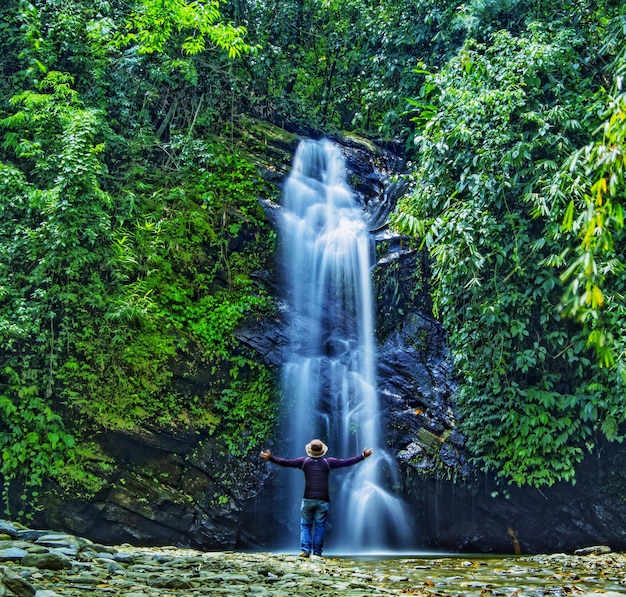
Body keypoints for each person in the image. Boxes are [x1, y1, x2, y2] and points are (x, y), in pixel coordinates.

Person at [260, 439, 373, 559]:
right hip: (323, 499)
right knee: (320, 526)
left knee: (305, 525)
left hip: (308, 498)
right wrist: (362, 456)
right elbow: (346, 462)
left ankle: (305, 550)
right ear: (322, 451)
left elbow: (286, 462)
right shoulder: (328, 462)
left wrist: (270, 458)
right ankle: (317, 552)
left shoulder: (303, 462)